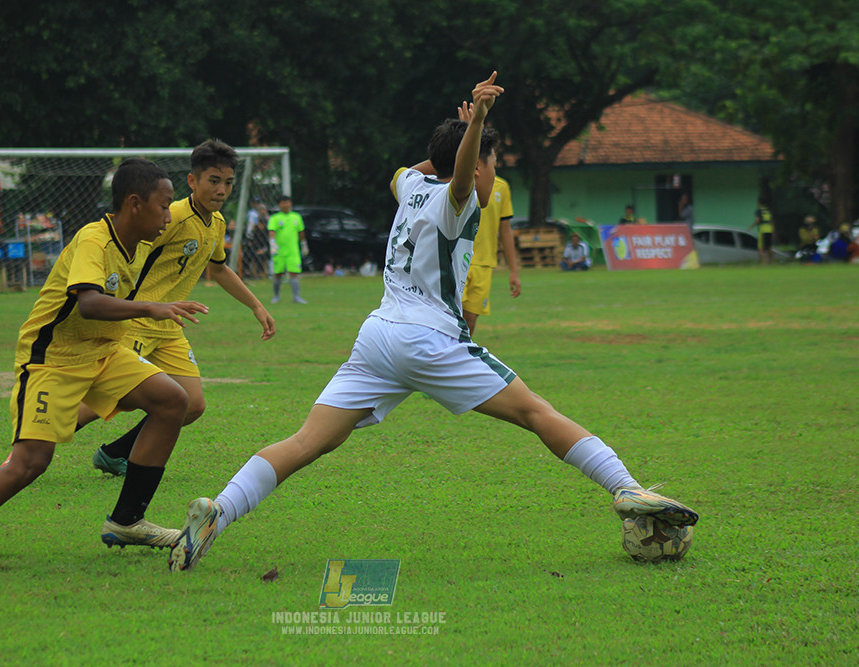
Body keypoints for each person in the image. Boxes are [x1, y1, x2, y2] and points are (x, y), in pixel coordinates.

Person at [165, 72, 699, 574]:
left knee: (309, 441)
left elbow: (426, 168)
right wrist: (475, 132)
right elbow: (462, 176)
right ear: (473, 163)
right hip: (429, 339)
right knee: (537, 411)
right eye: (491, 161)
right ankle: (625, 487)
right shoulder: (457, 202)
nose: (493, 172)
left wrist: (461, 137)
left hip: (377, 336)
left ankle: (220, 511)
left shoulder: (409, 186)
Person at [0, 158, 208, 566]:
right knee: (31, 462)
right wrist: (151, 308)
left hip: (103, 352)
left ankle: (126, 521)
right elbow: (88, 303)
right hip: (53, 359)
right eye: (163, 205)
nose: (167, 215)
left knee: (173, 401)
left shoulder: (137, 247)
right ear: (135, 204)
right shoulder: (94, 241)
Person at [80, 140, 276, 477]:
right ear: (192, 181)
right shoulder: (171, 216)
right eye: (214, 180)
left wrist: (256, 305)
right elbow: (129, 247)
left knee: (191, 404)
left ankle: (115, 454)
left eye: (228, 182)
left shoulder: (215, 223)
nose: (222, 189)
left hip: (170, 325)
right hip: (137, 321)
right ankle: (33, 442)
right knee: (108, 397)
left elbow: (218, 269)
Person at [456, 102, 520, 336]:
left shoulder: (502, 187)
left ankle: (457, 364)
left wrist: (514, 270)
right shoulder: (461, 182)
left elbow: (506, 230)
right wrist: (466, 134)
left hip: (484, 263)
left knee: (470, 324)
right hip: (457, 259)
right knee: (451, 320)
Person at [268, 195, 308, 304]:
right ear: (279, 205)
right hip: (279, 251)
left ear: (290, 204)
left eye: (287, 202)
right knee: (278, 273)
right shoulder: (275, 218)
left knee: (293, 272)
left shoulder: (296, 217)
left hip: (293, 251)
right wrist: (272, 245)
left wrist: (304, 244)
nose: (286, 205)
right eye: (283, 203)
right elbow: (272, 232)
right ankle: (276, 296)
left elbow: (301, 232)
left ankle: (296, 297)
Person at [750, 198, 775, 264]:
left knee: (761, 247)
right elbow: (772, 221)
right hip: (769, 230)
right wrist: (773, 231)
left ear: (759, 203)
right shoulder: (768, 210)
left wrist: (752, 226)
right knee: (769, 246)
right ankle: (772, 261)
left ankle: (764, 263)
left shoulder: (759, 211)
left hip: (763, 230)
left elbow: (758, 220)